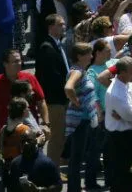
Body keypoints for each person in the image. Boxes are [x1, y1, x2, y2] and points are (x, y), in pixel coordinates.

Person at [35, 14, 69, 167]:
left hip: (61, 98)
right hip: (55, 100)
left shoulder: (56, 44)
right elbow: (51, 78)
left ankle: (55, 166)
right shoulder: (47, 48)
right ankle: (52, 170)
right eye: (60, 24)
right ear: (51, 27)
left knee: (61, 137)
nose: (64, 27)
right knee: (56, 138)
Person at [63, 42, 98, 192]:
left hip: (84, 119)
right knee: (76, 158)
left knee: (78, 156)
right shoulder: (77, 71)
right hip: (79, 121)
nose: (91, 56)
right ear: (79, 56)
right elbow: (68, 87)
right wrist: (75, 101)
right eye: (88, 53)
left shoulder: (80, 70)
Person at [105, 57, 132, 192]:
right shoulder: (114, 93)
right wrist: (130, 114)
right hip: (119, 138)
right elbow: (131, 115)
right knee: (121, 175)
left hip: (131, 135)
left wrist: (129, 114)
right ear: (122, 72)